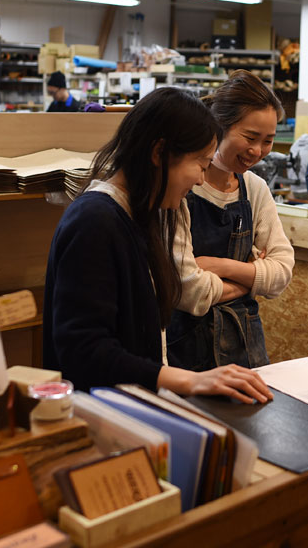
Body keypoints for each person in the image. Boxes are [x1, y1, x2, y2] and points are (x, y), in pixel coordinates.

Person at [43, 87, 272, 404]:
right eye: (200, 165)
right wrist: (189, 380)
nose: (201, 181)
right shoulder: (94, 221)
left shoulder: (148, 214)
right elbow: (85, 350)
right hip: (98, 415)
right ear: (159, 152)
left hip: (132, 407)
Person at [166, 70, 295, 372]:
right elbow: (189, 290)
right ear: (219, 126)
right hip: (184, 350)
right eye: (250, 137)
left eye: (268, 141)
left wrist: (221, 267)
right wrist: (253, 277)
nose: (257, 151)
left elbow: (282, 271)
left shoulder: (255, 189)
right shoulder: (181, 189)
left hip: (245, 348)